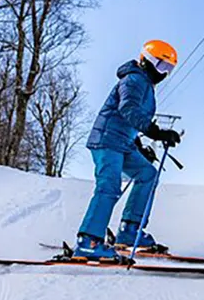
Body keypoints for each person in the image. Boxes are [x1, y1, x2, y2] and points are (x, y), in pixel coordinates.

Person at [72, 40, 182, 261]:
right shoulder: (134, 79)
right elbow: (127, 109)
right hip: (107, 141)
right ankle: (88, 241)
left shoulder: (146, 85)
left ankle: (130, 231)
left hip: (123, 143)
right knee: (109, 186)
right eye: (162, 66)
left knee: (148, 174)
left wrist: (139, 146)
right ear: (147, 61)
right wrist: (156, 132)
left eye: (169, 69)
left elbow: (130, 121)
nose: (164, 74)